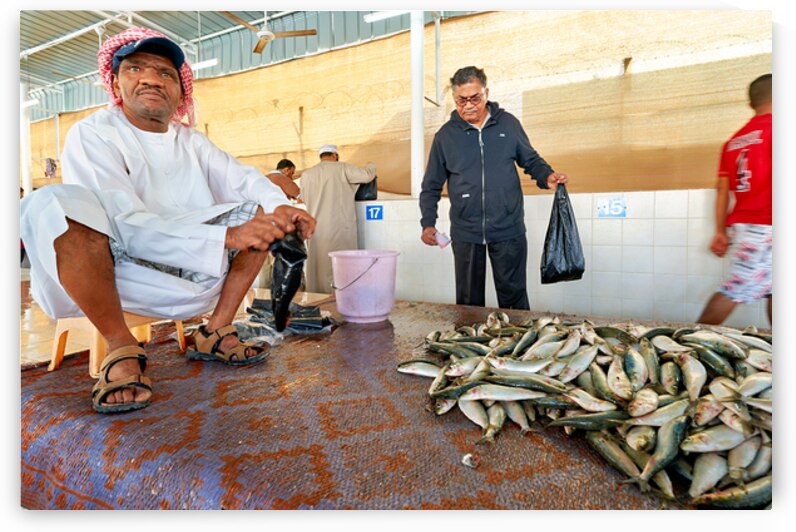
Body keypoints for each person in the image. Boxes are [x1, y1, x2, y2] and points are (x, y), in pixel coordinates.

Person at [19, 27, 316, 414]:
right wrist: (224, 237)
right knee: (55, 203)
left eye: (165, 74)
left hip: (199, 274)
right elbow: (124, 223)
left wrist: (281, 208)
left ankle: (215, 329)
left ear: (179, 91)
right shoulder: (94, 133)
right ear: (115, 81)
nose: (151, 79)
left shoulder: (190, 140)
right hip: (118, 272)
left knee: (264, 211)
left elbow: (242, 178)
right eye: (136, 68)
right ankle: (122, 345)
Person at [419, 66, 569, 310]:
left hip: (508, 227)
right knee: (468, 302)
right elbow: (431, 185)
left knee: (514, 297)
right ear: (455, 99)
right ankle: (471, 343)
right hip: (466, 231)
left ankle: (516, 346)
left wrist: (547, 177)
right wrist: (428, 222)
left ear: (486, 93)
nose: (468, 105)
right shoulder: (445, 136)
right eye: (461, 100)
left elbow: (530, 160)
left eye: (474, 98)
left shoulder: (507, 125)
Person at [697, 74, 772, 326]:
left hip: (746, 223)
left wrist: (720, 231)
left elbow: (722, 190)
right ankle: (692, 342)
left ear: (752, 104)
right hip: (767, 222)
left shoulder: (734, 142)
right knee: (736, 287)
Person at [299, 144, 376, 293]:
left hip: (315, 229)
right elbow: (367, 176)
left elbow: (304, 198)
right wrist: (371, 165)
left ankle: (317, 297)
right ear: (335, 155)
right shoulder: (342, 168)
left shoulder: (307, 175)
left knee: (318, 265)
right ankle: (340, 298)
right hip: (339, 226)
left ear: (321, 156)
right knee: (340, 264)